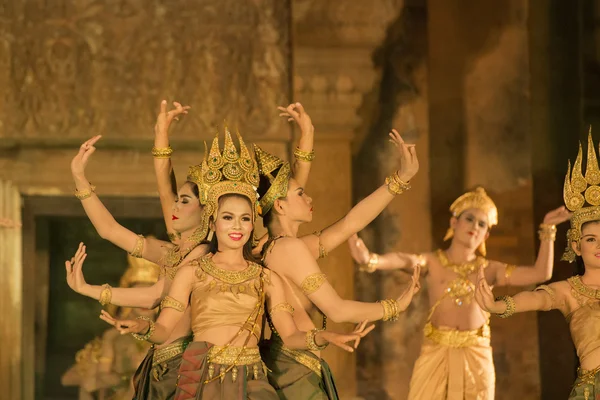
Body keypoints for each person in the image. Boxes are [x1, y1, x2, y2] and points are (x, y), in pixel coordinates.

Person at [90, 129, 375, 399]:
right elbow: (158, 313)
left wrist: (324, 336)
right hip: (195, 373)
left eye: (245, 218)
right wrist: (136, 322)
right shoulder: (189, 264)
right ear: (212, 221)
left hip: (252, 379)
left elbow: (283, 207)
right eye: (228, 218)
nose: (237, 225)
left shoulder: (265, 268)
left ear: (253, 224)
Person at [348, 187, 571, 399]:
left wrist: (548, 230)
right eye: (469, 219)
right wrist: (371, 260)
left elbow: (540, 273)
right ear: (454, 222)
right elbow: (404, 259)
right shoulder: (432, 262)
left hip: (476, 354)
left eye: (482, 224)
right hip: (436, 350)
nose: (475, 225)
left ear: (485, 236)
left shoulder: (490, 269)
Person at [255, 127, 420, 398]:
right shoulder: (289, 248)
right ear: (280, 207)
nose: (309, 199)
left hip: (296, 364)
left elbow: (350, 224)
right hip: (294, 370)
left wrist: (401, 179)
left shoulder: (280, 247)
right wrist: (394, 307)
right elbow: (337, 311)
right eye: (300, 193)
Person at [475, 133, 600, 400]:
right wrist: (497, 306)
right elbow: (534, 298)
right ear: (577, 247)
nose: (599, 246)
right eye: (591, 239)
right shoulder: (570, 291)